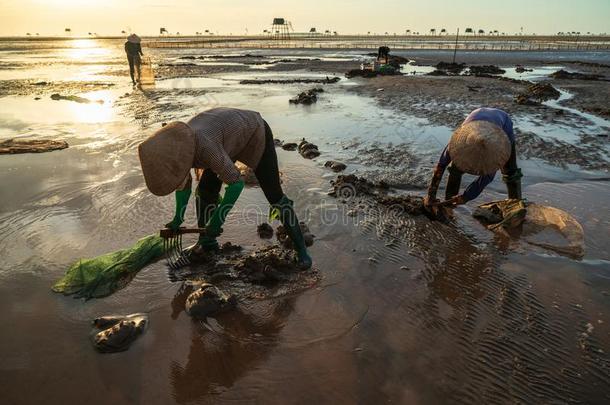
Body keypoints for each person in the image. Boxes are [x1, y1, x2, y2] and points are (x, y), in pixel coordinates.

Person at [138, 107, 313, 269]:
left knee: (274, 195)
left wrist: (217, 221)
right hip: (226, 138)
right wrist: (178, 218)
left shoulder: (205, 147)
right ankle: (206, 243)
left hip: (253, 131)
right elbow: (183, 185)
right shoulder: (178, 149)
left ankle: (302, 252)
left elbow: (236, 184)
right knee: (206, 189)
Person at [423, 107, 522, 210]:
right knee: (455, 168)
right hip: (475, 123)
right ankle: (450, 201)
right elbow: (441, 165)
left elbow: (485, 178)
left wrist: (466, 196)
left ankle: (515, 204)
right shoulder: (456, 145)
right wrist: (431, 195)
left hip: (502, 124)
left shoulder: (494, 154)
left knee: (510, 170)